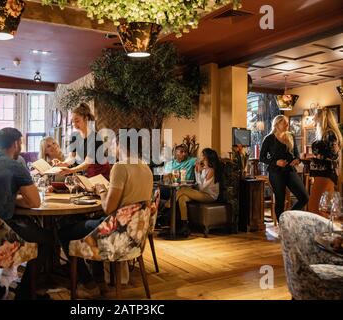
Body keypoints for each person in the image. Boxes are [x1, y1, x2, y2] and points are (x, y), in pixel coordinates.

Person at [57, 134, 153, 298]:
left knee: (63, 231)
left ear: (121, 146)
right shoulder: (146, 168)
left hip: (115, 233)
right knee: (85, 224)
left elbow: (109, 209)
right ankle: (99, 279)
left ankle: (89, 284)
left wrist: (101, 190)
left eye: (115, 145)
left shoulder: (120, 167)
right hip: (134, 237)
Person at [0, 127, 53, 299]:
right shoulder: (15, 166)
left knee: (25, 227)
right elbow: (35, 202)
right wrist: (19, 199)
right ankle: (26, 292)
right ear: (16, 143)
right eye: (20, 142)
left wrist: (10, 198)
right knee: (48, 239)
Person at [259, 115, 309, 222]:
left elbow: (296, 154)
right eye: (284, 123)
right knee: (280, 201)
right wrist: (276, 162)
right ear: (277, 124)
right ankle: (283, 227)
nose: (287, 125)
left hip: (290, 171)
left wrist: (297, 160)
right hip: (276, 172)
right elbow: (262, 158)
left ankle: (288, 218)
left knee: (304, 197)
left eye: (287, 123)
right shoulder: (269, 139)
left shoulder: (291, 136)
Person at [54, 103, 111, 179]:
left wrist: (71, 170)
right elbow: (72, 157)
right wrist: (63, 163)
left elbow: (87, 162)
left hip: (101, 174)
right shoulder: (74, 136)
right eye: (72, 121)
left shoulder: (96, 137)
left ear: (86, 119)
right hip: (88, 172)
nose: (74, 124)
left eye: (77, 121)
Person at [174, 148, 222, 237]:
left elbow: (202, 187)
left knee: (183, 190)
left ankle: (167, 206)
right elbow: (199, 185)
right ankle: (185, 226)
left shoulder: (211, 170)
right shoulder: (205, 168)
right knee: (182, 198)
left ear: (208, 158)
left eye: (203, 156)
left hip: (209, 196)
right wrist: (198, 171)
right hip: (202, 193)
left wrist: (197, 172)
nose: (202, 157)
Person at [308, 108, 342, 216]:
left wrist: (318, 156)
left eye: (316, 118)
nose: (314, 120)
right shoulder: (327, 134)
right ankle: (326, 231)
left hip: (325, 174)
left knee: (314, 207)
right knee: (323, 208)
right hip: (325, 174)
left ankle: (323, 231)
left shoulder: (329, 134)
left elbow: (333, 155)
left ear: (322, 119)